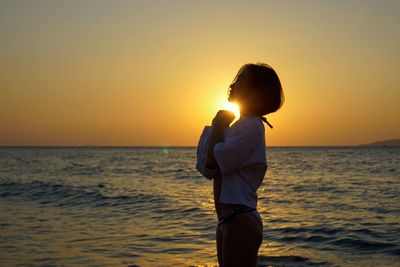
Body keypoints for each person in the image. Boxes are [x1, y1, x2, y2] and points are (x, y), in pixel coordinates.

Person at [196, 63, 284, 267]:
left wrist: (218, 127)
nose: (232, 84)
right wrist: (220, 129)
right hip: (228, 219)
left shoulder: (250, 126)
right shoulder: (240, 127)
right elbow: (209, 169)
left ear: (256, 92)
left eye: (241, 80)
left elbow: (211, 161)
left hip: (239, 220)